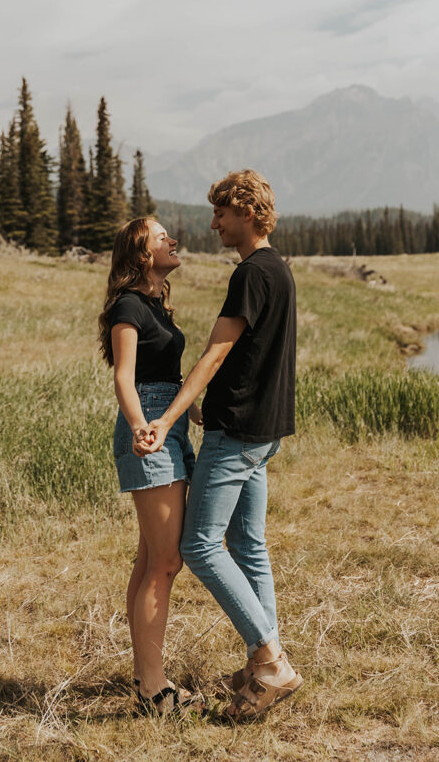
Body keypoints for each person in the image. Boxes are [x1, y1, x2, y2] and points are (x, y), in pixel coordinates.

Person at [135, 170, 303, 720]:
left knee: (201, 547)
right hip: (264, 430)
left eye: (222, 215)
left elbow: (215, 353)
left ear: (248, 213)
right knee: (249, 545)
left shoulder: (251, 273)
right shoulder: (279, 270)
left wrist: (167, 417)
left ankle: (271, 661)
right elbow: (257, 360)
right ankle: (262, 667)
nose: (214, 224)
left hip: (236, 435)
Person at [99, 216, 203, 717]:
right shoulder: (128, 305)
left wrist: (189, 412)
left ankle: (144, 674)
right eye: (163, 237)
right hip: (151, 428)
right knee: (166, 562)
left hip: (169, 424)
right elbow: (124, 377)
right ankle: (154, 690)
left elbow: (167, 371)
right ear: (142, 253)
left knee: (149, 560)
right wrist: (145, 427)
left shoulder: (157, 304)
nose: (173, 241)